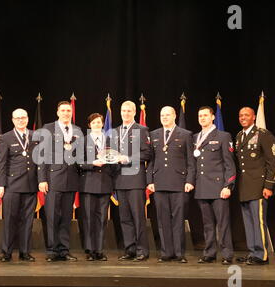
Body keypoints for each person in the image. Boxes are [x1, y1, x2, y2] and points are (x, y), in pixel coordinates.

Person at [147, 106, 195, 263]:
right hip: (159, 183)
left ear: (174, 116)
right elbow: (151, 161)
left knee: (178, 219)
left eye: (167, 115)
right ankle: (166, 253)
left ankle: (179, 253)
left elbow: (190, 161)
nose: (164, 117)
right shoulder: (154, 134)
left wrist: (189, 181)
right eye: (162, 115)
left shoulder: (185, 134)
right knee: (162, 220)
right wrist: (150, 181)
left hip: (179, 184)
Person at [37, 101, 83, 262]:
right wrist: (42, 179)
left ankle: (64, 250)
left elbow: (80, 155)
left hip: (71, 179)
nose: (65, 113)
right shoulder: (48, 128)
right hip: (53, 179)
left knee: (66, 217)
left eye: (68, 110)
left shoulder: (77, 130)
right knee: (52, 216)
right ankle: (51, 250)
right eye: (63, 110)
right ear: (57, 112)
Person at [235, 107, 275, 265]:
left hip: (259, 186)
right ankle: (253, 252)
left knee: (259, 222)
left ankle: (262, 255)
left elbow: (273, 162)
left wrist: (269, 185)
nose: (243, 118)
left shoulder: (263, 134)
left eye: (246, 115)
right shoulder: (239, 136)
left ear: (253, 117)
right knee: (248, 222)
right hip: (245, 186)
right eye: (241, 115)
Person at [193, 106, 236, 265]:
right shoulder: (195, 137)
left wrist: (228, 185)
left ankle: (226, 254)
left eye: (205, 115)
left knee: (223, 224)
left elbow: (229, 164)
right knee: (208, 224)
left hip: (219, 188)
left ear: (212, 117)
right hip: (202, 187)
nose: (202, 118)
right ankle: (209, 253)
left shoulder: (223, 136)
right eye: (200, 116)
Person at [0, 108, 38, 262]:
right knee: (10, 220)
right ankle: (6, 252)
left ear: (27, 119)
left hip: (31, 185)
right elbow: (1, 163)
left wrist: (41, 181)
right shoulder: (5, 138)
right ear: (13, 120)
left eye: (23, 117)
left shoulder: (35, 136)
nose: (21, 120)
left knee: (27, 220)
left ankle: (25, 252)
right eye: (17, 118)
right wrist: (0, 185)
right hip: (12, 185)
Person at [113, 100, 151, 262]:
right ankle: (130, 249)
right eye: (123, 111)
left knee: (137, 217)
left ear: (134, 112)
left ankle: (142, 250)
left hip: (135, 180)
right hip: (119, 180)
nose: (126, 113)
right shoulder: (114, 131)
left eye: (129, 111)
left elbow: (147, 154)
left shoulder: (141, 130)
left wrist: (127, 158)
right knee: (125, 218)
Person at [78, 113, 114, 261]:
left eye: (99, 122)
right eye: (94, 123)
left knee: (102, 219)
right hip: (88, 184)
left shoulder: (110, 141)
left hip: (105, 184)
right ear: (89, 125)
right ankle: (89, 250)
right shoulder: (83, 141)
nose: (97, 125)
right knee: (88, 218)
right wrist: (92, 163)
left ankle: (99, 250)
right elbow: (78, 162)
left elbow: (114, 160)